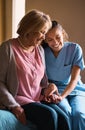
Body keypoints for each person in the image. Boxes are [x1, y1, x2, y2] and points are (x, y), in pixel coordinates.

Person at [0, 10, 70, 130]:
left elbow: (41, 82)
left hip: (37, 97)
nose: (44, 37)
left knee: (64, 118)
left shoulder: (39, 50)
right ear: (30, 29)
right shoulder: (8, 48)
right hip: (19, 99)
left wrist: (48, 90)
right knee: (50, 115)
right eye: (42, 32)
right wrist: (13, 106)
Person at [42, 20, 85, 130]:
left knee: (79, 114)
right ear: (45, 40)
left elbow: (74, 80)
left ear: (63, 34)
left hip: (76, 89)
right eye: (50, 39)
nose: (55, 42)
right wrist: (53, 93)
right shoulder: (42, 53)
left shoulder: (75, 49)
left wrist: (62, 96)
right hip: (55, 90)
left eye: (58, 37)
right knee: (65, 112)